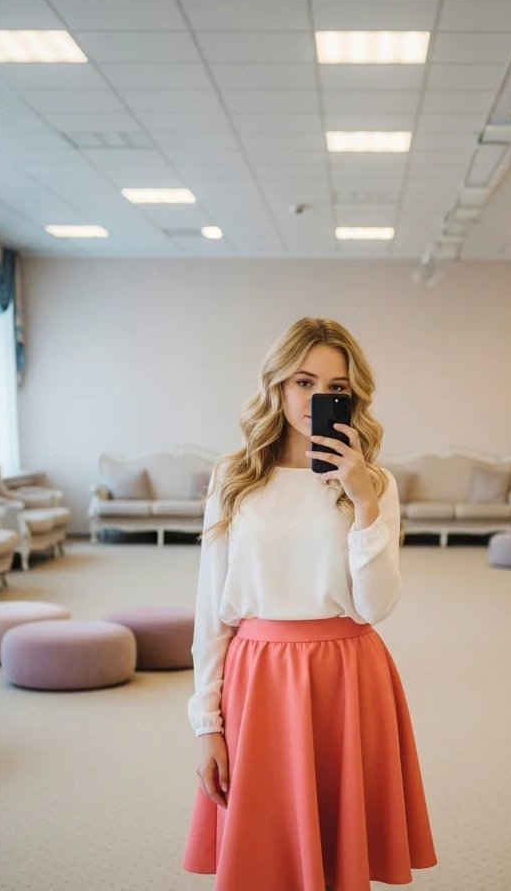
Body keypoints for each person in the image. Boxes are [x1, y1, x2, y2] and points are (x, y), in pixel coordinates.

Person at [182, 317, 437, 890]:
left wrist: (363, 501)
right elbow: (211, 611)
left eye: (335, 388)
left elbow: (376, 605)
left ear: (352, 396)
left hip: (348, 673)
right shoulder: (234, 478)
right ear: (276, 384)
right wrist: (206, 724)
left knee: (339, 848)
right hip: (258, 679)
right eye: (304, 381)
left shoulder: (375, 484)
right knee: (264, 850)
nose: (318, 398)